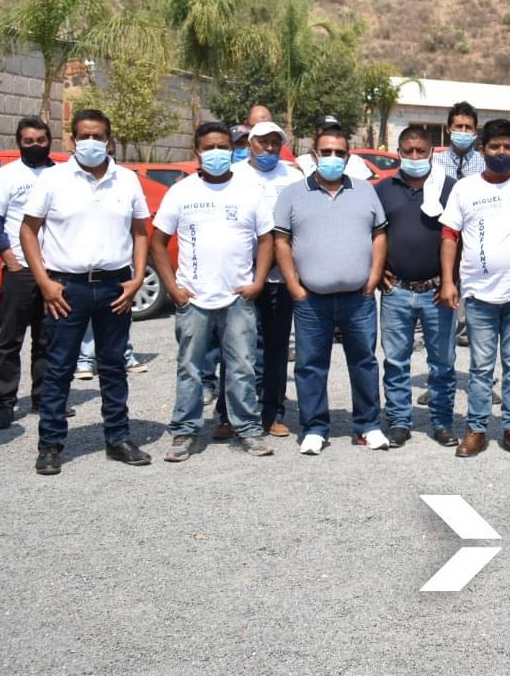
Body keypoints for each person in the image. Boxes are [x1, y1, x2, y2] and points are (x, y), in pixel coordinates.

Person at [19, 108, 154, 477]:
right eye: (84, 136)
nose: (91, 142)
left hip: (115, 287)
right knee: (59, 367)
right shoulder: (53, 179)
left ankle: (118, 438)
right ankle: (50, 444)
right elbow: (28, 231)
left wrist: (138, 276)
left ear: (110, 140)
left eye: (98, 136)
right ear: (72, 139)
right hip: (67, 288)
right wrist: (44, 282)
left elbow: (141, 231)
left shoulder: (126, 181)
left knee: (113, 367)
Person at [150, 122, 275, 462]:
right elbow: (158, 242)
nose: (217, 153)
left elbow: (267, 239)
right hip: (194, 300)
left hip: (238, 298)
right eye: (210, 147)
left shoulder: (249, 192)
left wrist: (258, 282)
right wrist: (173, 287)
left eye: (223, 147)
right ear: (197, 152)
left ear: (232, 150)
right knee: (190, 367)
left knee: (242, 367)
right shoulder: (182, 192)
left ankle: (247, 429)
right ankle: (184, 431)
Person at [438, 118, 510, 458]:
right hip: (478, 295)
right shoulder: (465, 189)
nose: (501, 152)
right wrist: (448, 281)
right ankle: (476, 430)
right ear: (481, 150)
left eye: (507, 147)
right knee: (481, 368)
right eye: (494, 147)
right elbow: (449, 236)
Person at [273, 125, 387, 456]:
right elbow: (281, 240)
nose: (333, 158)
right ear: (314, 155)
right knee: (310, 364)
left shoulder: (366, 191)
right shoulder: (292, 194)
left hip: (358, 297)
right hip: (311, 300)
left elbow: (380, 235)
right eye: (327, 152)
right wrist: (294, 285)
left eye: (339, 153)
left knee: (364, 361)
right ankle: (315, 427)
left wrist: (373, 278)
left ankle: (368, 425)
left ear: (348, 156)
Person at [375, 125, 460, 449]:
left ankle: (441, 422)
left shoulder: (449, 189)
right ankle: (398, 421)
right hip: (396, 290)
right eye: (407, 151)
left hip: (438, 291)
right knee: (396, 361)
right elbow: (374, 233)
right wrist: (379, 268)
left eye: (419, 152)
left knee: (442, 363)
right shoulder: (383, 189)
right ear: (399, 152)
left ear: (430, 152)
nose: (413, 157)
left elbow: (459, 237)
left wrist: (452, 281)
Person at [230, 119, 304, 437]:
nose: (269, 148)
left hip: (280, 278)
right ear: (250, 144)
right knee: (238, 348)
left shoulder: (293, 176)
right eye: (263, 142)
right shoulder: (235, 176)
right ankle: (229, 413)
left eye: (275, 142)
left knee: (275, 349)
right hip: (241, 275)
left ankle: (272, 412)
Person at [0, 117, 56, 429]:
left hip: (55, 270)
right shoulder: (6, 176)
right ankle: (5, 402)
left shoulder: (62, 175)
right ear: (19, 142)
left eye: (41, 140)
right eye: (29, 141)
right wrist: (9, 259)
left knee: (48, 338)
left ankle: (44, 398)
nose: (36, 145)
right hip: (21, 270)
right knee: (11, 338)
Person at [294, 115, 373, 182]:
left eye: (335, 131)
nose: (331, 135)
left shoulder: (356, 162)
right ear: (315, 136)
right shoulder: (301, 163)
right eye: (325, 132)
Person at [435, 101, 486, 181]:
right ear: (448, 129)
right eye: (459, 126)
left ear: (475, 131)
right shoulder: (435, 162)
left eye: (468, 127)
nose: (463, 131)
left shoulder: (485, 163)